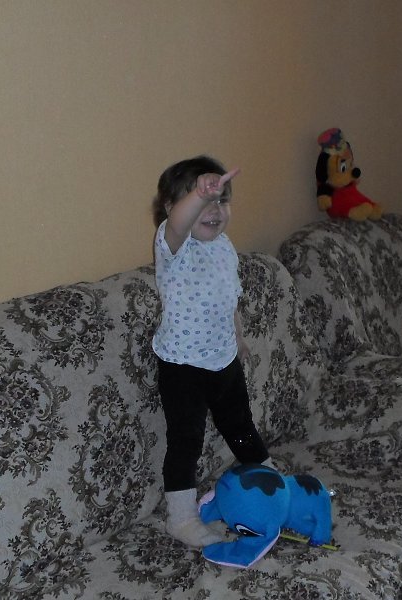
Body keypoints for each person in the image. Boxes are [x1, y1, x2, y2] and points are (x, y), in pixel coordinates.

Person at [151, 155, 271, 547]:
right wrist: (199, 196)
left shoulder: (224, 246)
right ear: (172, 207)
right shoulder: (174, 245)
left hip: (223, 359)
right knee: (186, 441)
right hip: (183, 366)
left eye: (222, 200)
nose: (214, 209)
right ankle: (181, 518)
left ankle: (269, 481)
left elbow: (227, 295)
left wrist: (238, 336)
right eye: (203, 201)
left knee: (241, 426)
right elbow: (179, 223)